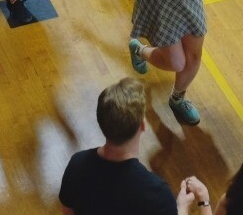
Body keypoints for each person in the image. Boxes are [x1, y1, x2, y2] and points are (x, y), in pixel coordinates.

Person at [58, 77, 179, 215]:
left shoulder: (77, 164)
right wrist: (190, 205)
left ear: (101, 122)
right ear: (142, 126)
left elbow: (68, 211)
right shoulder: (158, 194)